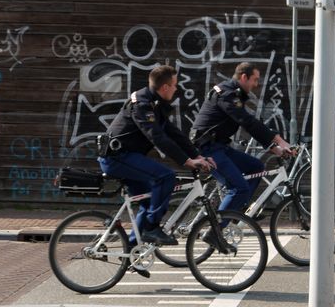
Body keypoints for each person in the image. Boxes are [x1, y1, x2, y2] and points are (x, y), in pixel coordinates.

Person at [98, 65, 216, 250]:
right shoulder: (142, 105)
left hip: (128, 158)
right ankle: (152, 228)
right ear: (165, 87)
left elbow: (174, 134)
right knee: (166, 176)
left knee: (148, 203)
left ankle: (130, 252)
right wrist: (187, 161)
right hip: (117, 158)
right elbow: (157, 137)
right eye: (175, 85)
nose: (177, 89)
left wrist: (198, 155)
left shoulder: (154, 103)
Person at [191, 62, 294, 215]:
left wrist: (276, 149)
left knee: (256, 167)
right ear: (244, 77)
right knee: (238, 188)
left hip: (220, 146)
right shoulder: (226, 94)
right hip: (207, 147)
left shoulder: (234, 94)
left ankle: (236, 210)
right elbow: (247, 122)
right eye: (255, 79)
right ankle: (217, 231)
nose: (256, 84)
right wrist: (280, 141)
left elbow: (250, 124)